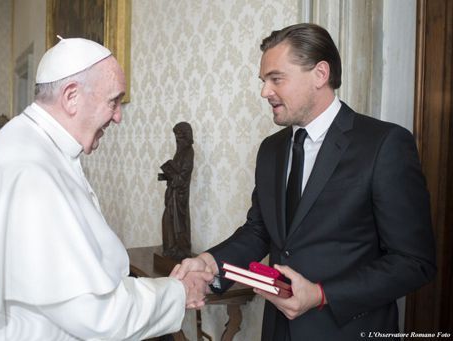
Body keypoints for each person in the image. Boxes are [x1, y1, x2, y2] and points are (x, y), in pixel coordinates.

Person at [173, 23, 436, 340]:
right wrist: (209, 262)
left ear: (320, 74)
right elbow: (259, 230)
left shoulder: (384, 145)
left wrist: (321, 294)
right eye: (263, 80)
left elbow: (414, 262)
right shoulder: (271, 150)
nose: (264, 92)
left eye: (276, 79)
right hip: (277, 331)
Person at [0, 37, 212, 341]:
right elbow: (98, 315)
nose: (119, 116)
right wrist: (178, 291)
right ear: (71, 97)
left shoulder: (29, 145)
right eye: (114, 101)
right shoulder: (32, 172)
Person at [158, 122, 194, 261]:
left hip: (180, 196)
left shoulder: (189, 152)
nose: (177, 140)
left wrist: (173, 175)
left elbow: (183, 175)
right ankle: (171, 248)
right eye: (176, 137)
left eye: (179, 136)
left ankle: (182, 250)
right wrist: (165, 175)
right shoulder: (179, 152)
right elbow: (176, 172)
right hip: (172, 193)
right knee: (167, 220)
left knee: (180, 224)